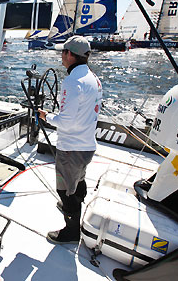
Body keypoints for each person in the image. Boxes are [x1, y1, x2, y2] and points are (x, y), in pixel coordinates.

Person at [38, 35, 102, 244]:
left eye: (63, 52)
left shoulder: (73, 82)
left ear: (70, 55)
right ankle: (74, 207)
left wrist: (46, 116)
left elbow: (65, 123)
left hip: (71, 148)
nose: (61, 56)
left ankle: (71, 230)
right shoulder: (93, 78)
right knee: (79, 180)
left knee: (64, 190)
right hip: (86, 146)